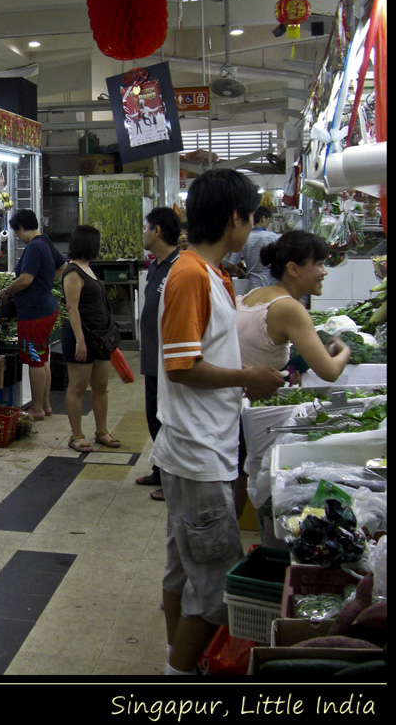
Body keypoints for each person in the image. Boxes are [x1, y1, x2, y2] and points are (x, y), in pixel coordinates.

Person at [153, 168, 285, 676]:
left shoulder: (211, 273)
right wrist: (247, 375)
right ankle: (181, 675)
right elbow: (182, 366)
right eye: (251, 218)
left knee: (183, 568)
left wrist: (241, 379)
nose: (252, 228)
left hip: (196, 444)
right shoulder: (190, 274)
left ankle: (175, 658)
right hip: (198, 450)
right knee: (214, 588)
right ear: (236, 217)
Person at [237, 229, 352, 540]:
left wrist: (292, 364)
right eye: (319, 263)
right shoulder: (290, 307)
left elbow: (260, 348)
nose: (325, 271)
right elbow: (329, 372)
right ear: (293, 269)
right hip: (249, 415)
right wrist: (345, 351)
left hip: (234, 409)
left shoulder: (252, 296)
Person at [0, 209, 66, 421]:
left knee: (35, 360)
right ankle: (45, 406)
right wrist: (46, 283)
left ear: (22, 228)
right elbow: (63, 266)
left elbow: (26, 279)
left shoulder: (34, 247)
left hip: (34, 313)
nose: (17, 236)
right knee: (42, 357)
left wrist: (7, 292)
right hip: (47, 308)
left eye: (17, 232)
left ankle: (36, 408)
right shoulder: (45, 242)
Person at [134, 207, 181, 501]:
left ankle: (173, 478)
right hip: (152, 357)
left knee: (169, 419)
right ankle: (160, 468)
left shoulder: (179, 266)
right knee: (154, 416)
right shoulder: (156, 266)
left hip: (169, 359)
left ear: (158, 231)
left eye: (146, 227)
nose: (143, 232)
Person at [59, 224, 120, 452]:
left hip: (100, 338)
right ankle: (77, 434)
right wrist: (80, 341)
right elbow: (72, 309)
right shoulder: (74, 271)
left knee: (101, 386)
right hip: (81, 337)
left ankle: (101, 431)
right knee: (77, 387)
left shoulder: (89, 268)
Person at [224, 206, 279, 289]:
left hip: (253, 286)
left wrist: (241, 273)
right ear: (263, 219)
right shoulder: (273, 237)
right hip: (272, 286)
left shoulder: (245, 238)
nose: (268, 224)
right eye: (268, 221)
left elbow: (230, 264)